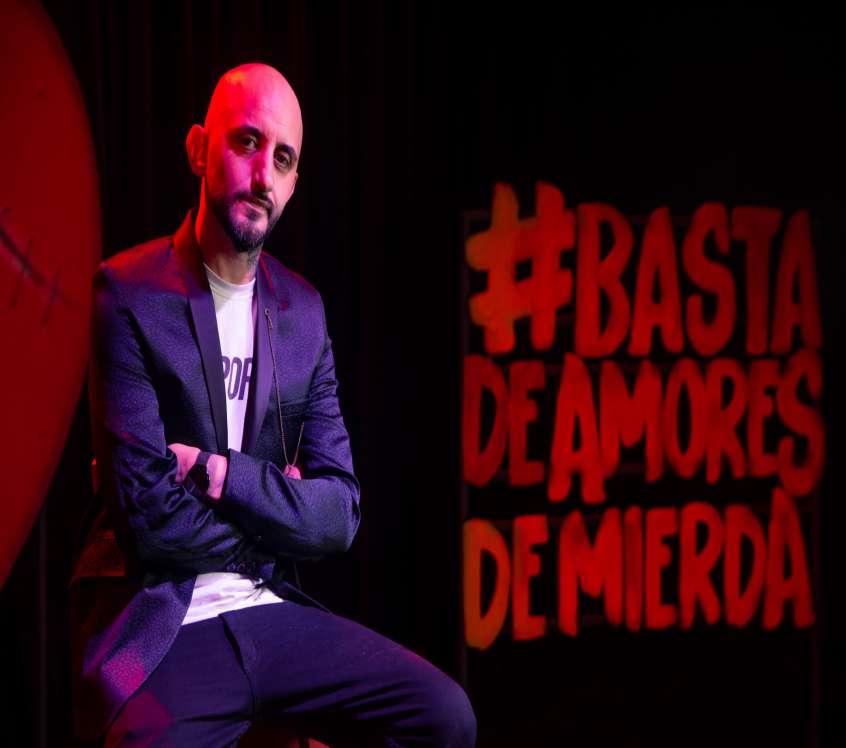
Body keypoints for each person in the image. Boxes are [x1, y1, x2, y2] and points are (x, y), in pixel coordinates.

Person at [70, 63, 476, 747]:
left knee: (444, 716)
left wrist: (220, 474)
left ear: (293, 183)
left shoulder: (302, 313)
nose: (263, 175)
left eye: (282, 159)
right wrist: (278, 515)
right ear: (199, 149)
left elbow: (339, 513)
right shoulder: (129, 293)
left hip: (268, 607)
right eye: (247, 142)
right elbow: (147, 523)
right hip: (164, 622)